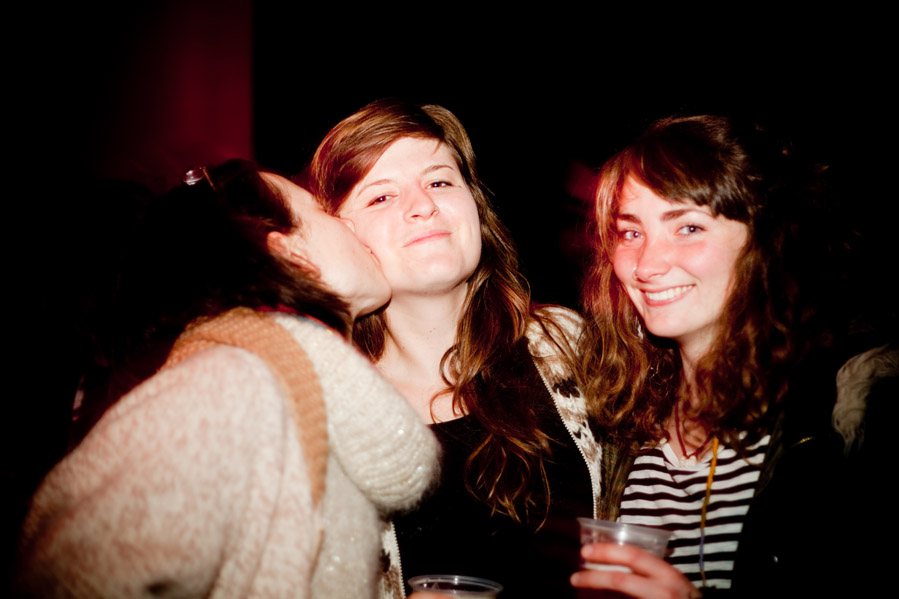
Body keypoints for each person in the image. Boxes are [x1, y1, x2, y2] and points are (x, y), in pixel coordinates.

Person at [15, 160, 440, 599]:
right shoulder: (231, 387)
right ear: (294, 256)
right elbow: (66, 578)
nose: (348, 220)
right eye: (324, 212)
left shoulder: (302, 391)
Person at [573, 115, 895, 598]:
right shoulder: (621, 425)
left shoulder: (852, 410)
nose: (647, 265)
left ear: (765, 241)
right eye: (630, 233)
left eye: (687, 226)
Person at [309, 99, 601, 599]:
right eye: (380, 197)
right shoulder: (328, 419)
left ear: (476, 207)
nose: (423, 205)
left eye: (440, 181)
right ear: (338, 237)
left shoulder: (568, 346)